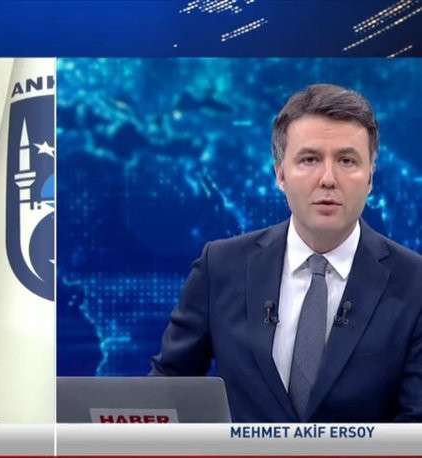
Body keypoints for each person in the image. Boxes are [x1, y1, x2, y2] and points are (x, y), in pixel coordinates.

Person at [151, 84, 422, 422]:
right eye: (309, 160)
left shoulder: (414, 283)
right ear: (280, 174)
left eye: (347, 161)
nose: (328, 179)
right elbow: (167, 391)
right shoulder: (219, 267)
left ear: (370, 177)